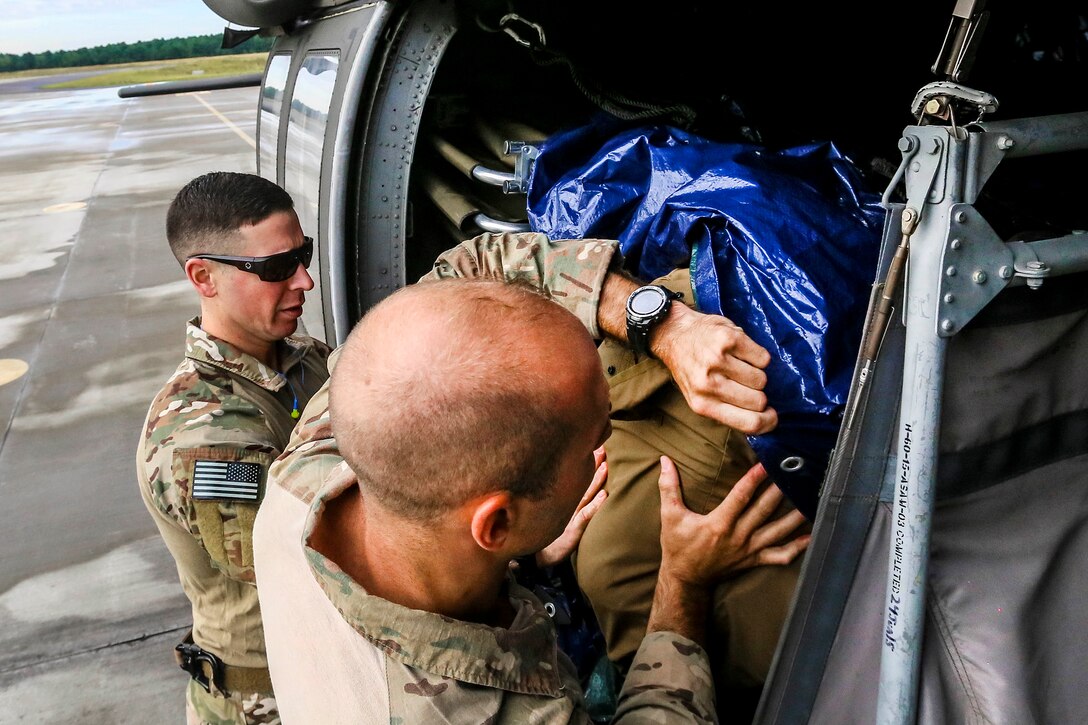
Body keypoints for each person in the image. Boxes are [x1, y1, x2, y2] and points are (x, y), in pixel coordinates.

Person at [252, 276, 810, 723]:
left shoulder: (301, 475)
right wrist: (683, 584)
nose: (614, 439)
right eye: (597, 438)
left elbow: (473, 264)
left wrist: (660, 323)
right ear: (494, 522)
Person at [136, 171, 333, 724]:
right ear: (204, 276)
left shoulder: (305, 360)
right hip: (269, 705)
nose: (304, 282)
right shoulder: (206, 434)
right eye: (275, 269)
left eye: (304, 255)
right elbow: (309, 561)